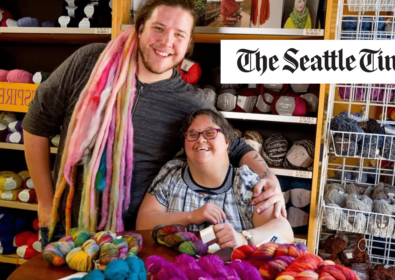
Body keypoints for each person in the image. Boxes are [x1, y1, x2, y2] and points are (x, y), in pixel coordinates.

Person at [22, 0, 285, 248]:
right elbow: (36, 124)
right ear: (139, 28)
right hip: (66, 225)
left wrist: (269, 177)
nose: (166, 42)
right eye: (158, 28)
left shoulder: (189, 101)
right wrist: (46, 203)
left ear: (188, 43)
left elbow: (234, 146)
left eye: (179, 35)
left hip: (137, 238)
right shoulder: (91, 62)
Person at [136, 109, 293, 249]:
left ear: (227, 142)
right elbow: (143, 223)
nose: (200, 139)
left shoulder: (245, 182)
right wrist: (191, 216)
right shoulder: (171, 174)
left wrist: (244, 238)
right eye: (192, 134)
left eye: (210, 133)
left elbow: (284, 231)